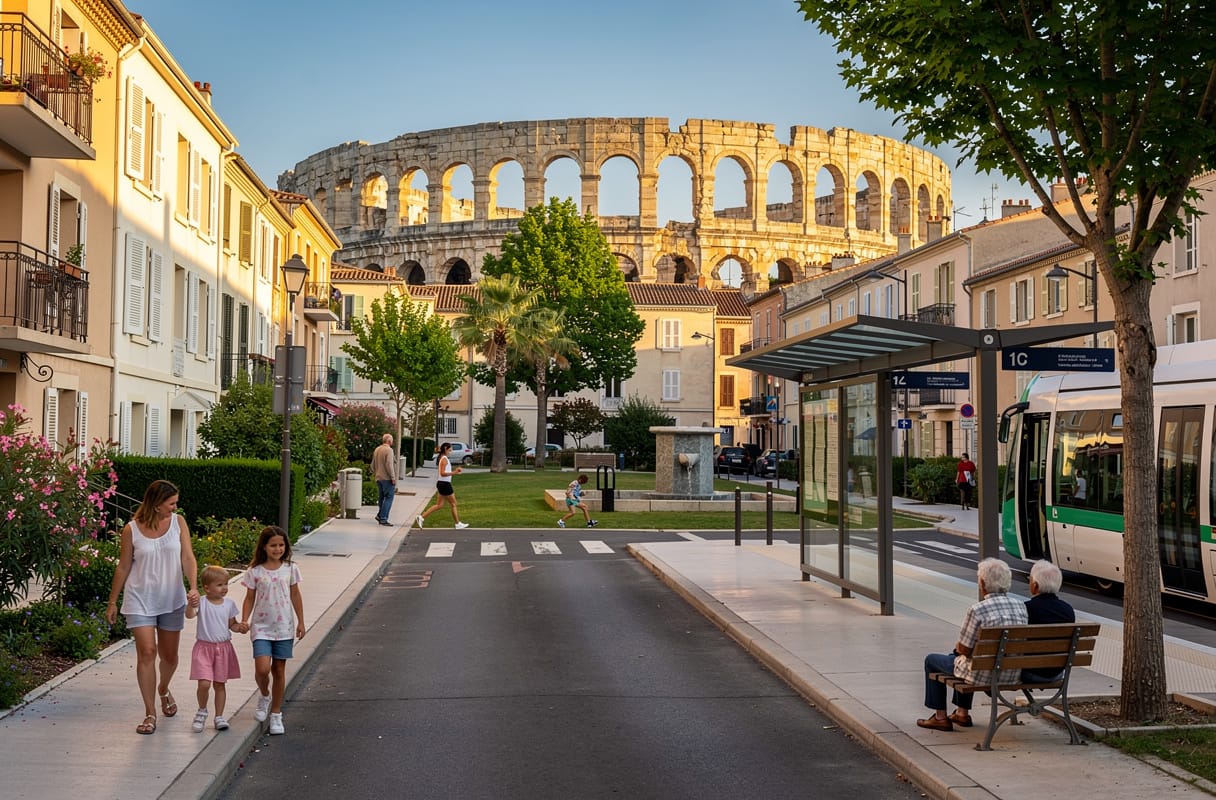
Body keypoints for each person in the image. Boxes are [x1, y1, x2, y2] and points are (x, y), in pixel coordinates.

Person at [105, 479, 200, 735]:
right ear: (156, 504)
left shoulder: (178, 523)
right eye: (171, 503)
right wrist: (112, 601)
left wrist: (193, 586)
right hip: (140, 598)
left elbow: (188, 557)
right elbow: (124, 566)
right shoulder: (131, 529)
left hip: (172, 599)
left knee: (169, 657)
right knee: (147, 652)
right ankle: (150, 712)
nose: (175, 507)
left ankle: (163, 688)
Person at [918, 558, 1027, 731]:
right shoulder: (1021, 606)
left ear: (983, 583)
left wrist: (959, 648)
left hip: (981, 674)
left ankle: (940, 717)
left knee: (932, 660)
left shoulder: (978, 609)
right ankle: (961, 713)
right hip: (1011, 674)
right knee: (959, 658)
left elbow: (964, 649)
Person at [241, 526, 305, 735]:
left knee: (278, 669)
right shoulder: (255, 571)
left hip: (284, 627)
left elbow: (295, 595)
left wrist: (301, 622)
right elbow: (249, 597)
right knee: (262, 669)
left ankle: (276, 714)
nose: (278, 549)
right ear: (264, 547)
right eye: (273, 545)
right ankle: (264, 694)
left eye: (281, 545)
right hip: (261, 627)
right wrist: (244, 619)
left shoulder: (291, 569)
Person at [186, 565, 247, 732]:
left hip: (223, 649)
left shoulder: (229, 604)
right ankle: (202, 711)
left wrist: (240, 628)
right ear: (207, 588)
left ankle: (219, 716)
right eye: (219, 585)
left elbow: (232, 624)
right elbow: (189, 615)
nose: (224, 588)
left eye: (226, 584)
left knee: (220, 684)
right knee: (204, 683)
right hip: (204, 649)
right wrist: (190, 604)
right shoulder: (202, 603)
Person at [1023, 559, 1075, 682]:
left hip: (1029, 671)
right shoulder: (1068, 610)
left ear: (1035, 586)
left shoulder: (1025, 609)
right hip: (1056, 672)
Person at [416, 442, 469, 529]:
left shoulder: (443, 458)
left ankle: (421, 517)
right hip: (444, 484)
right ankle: (457, 524)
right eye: (450, 450)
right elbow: (442, 473)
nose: (451, 451)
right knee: (454, 504)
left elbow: (444, 472)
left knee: (439, 505)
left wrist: (454, 471)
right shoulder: (444, 459)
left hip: (442, 483)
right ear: (445, 449)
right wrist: (454, 472)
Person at [371, 433, 397, 526]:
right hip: (387, 478)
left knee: (381, 498)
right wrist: (393, 477)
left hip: (378, 477)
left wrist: (376, 473)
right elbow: (389, 464)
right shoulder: (389, 450)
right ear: (389, 441)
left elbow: (372, 465)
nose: (392, 442)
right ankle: (383, 518)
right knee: (389, 498)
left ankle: (380, 515)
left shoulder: (377, 449)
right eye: (392, 440)